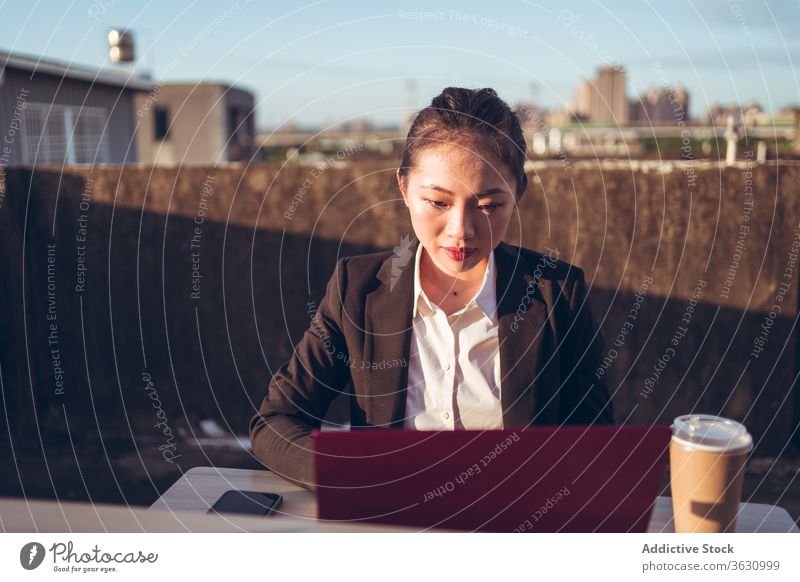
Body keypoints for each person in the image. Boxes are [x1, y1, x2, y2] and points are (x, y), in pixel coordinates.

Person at [249, 87, 614, 492]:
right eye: (438, 203)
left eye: (490, 206)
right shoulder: (356, 289)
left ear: (518, 196)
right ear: (404, 189)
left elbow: (596, 443)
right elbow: (275, 424)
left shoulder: (557, 294)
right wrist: (354, 475)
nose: (462, 231)